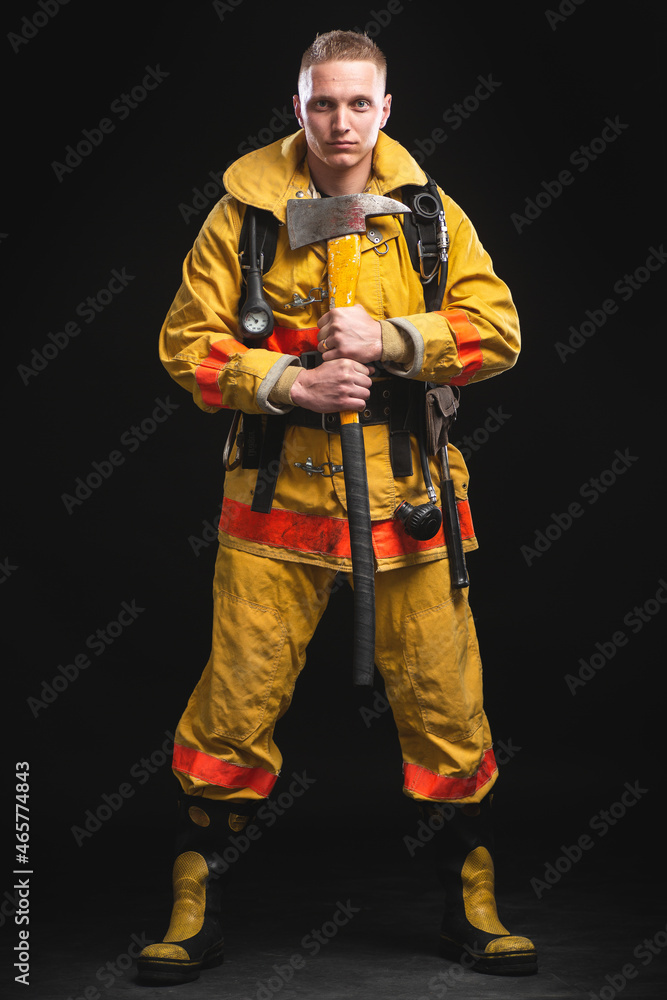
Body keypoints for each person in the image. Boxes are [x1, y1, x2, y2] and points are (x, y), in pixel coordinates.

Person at [137, 29, 536, 986]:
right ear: (297, 106)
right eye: (324, 104)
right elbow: (182, 347)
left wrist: (398, 340)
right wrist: (284, 385)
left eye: (360, 104)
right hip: (273, 517)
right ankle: (194, 898)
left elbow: (499, 333)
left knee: (448, 707)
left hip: (409, 514)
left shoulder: (430, 218)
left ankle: (472, 897)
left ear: (386, 110)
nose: (341, 122)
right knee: (232, 709)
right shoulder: (240, 219)